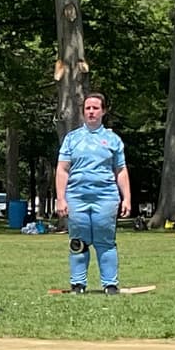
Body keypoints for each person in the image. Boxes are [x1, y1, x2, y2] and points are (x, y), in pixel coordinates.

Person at [55, 93, 132, 295]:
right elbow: (62, 169)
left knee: (105, 241)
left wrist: (127, 198)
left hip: (106, 197)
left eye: (96, 108)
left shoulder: (113, 140)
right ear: (83, 112)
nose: (91, 112)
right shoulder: (72, 139)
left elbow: (121, 170)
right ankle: (78, 284)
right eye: (88, 108)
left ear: (103, 111)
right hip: (77, 198)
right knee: (78, 241)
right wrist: (61, 198)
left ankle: (110, 284)